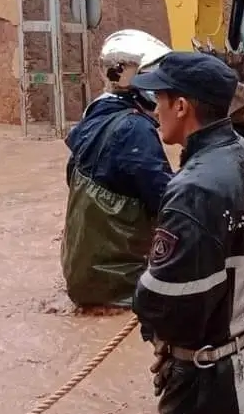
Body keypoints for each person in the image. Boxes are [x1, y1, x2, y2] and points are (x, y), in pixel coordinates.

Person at [131, 52, 244, 414]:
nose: (155, 110)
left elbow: (162, 304)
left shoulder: (190, 191)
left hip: (216, 387)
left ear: (182, 106)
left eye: (158, 99)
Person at [61, 29, 175, 308]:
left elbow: (71, 175)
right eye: (151, 76)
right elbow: (168, 202)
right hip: (120, 284)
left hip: (82, 275)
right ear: (126, 78)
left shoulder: (96, 114)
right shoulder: (135, 130)